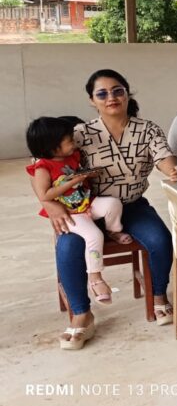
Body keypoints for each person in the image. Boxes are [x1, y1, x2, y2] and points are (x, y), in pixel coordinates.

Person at [49, 69, 177, 350]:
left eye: (118, 91)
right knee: (68, 247)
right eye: (102, 93)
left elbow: (163, 156)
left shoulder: (147, 129)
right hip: (86, 208)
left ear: (127, 93)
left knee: (160, 240)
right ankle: (82, 313)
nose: (111, 98)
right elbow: (43, 165)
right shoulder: (79, 134)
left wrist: (173, 170)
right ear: (91, 100)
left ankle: (158, 295)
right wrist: (51, 205)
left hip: (131, 205)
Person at [26, 116, 126, 308]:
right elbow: (45, 195)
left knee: (113, 204)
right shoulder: (43, 168)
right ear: (53, 147)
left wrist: (89, 174)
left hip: (86, 202)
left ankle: (113, 230)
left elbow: (81, 171)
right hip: (70, 213)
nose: (74, 143)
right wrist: (73, 181)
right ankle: (95, 278)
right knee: (94, 236)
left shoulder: (73, 156)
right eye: (69, 141)